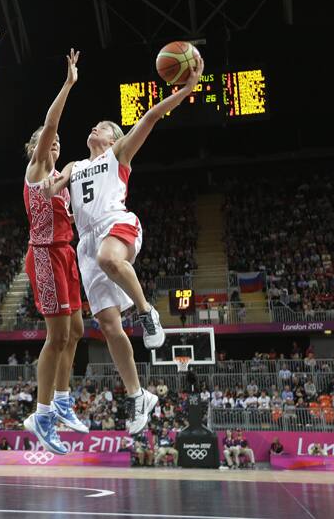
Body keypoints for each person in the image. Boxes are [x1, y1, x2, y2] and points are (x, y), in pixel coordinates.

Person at [42, 54, 205, 435]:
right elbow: (50, 187)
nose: (94, 126)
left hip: (116, 223)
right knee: (111, 328)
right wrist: (47, 179)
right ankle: (138, 395)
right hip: (85, 243)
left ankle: (148, 312)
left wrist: (185, 90)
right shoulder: (74, 166)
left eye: (101, 125)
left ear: (113, 137)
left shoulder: (119, 155)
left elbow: (149, 117)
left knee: (109, 257)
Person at [21, 48, 88, 455]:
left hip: (67, 254)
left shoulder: (60, 178)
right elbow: (50, 123)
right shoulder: (36, 171)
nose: (55, 141)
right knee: (58, 334)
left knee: (78, 331)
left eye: (58, 141)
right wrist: (68, 84)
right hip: (44, 254)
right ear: (37, 147)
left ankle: (62, 399)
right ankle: (42, 412)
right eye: (49, 140)